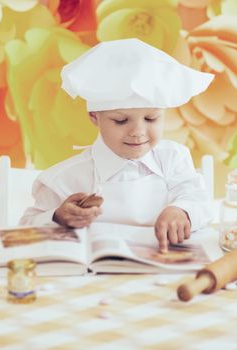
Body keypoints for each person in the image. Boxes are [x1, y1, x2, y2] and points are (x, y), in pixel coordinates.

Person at [19, 38, 215, 252]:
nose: (138, 132)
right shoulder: (64, 178)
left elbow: (200, 201)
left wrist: (182, 210)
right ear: (94, 117)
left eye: (151, 119)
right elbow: (23, 230)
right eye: (121, 121)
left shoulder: (173, 158)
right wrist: (57, 217)